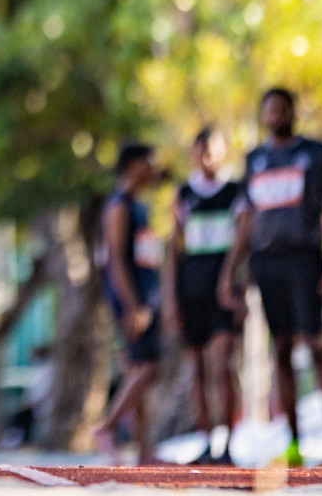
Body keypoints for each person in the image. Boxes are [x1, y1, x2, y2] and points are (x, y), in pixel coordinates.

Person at [219, 88, 322, 467]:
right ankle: (293, 442)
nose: (275, 115)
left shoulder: (315, 154)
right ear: (263, 116)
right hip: (265, 263)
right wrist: (230, 273)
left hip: (305, 260)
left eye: (282, 108)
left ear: (293, 112)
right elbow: (246, 223)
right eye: (269, 110)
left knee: (317, 345)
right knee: (281, 349)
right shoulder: (256, 160)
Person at [164, 126, 243, 465]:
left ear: (223, 152)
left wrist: (233, 283)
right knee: (196, 368)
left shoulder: (236, 192)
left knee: (221, 364)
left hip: (223, 293)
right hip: (191, 290)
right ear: (193, 154)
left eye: (213, 149)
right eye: (201, 150)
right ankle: (206, 441)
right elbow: (174, 247)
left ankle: (227, 443)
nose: (207, 157)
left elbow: (243, 241)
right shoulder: (183, 195)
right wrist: (170, 298)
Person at [93, 143, 164, 464]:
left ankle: (144, 451)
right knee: (149, 368)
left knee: (139, 370)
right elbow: (115, 260)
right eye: (147, 163)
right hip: (130, 299)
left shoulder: (140, 206)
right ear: (132, 166)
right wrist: (133, 306)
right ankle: (105, 428)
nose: (151, 170)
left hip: (146, 296)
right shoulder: (119, 206)